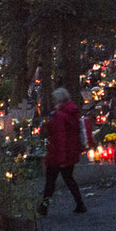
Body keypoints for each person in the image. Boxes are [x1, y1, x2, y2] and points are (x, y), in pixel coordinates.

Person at [39, 87, 87, 216]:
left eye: (54, 99)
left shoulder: (60, 115)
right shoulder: (71, 113)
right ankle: (80, 204)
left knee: (50, 182)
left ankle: (43, 207)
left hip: (58, 154)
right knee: (68, 179)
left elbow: (60, 137)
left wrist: (60, 158)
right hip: (69, 152)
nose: (53, 101)